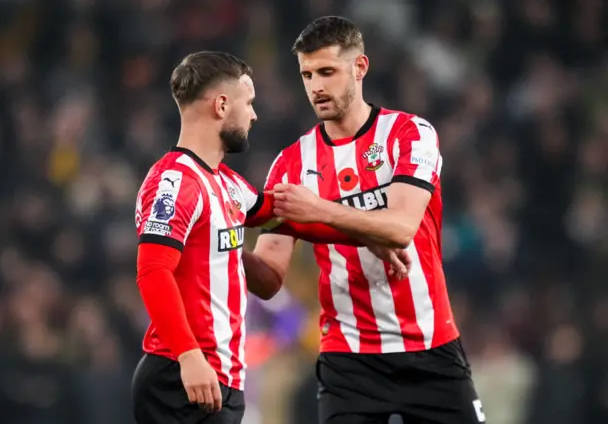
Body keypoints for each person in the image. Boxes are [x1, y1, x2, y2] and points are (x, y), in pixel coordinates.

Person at [131, 51, 409, 424]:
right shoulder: (175, 183)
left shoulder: (228, 185)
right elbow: (153, 273)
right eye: (249, 103)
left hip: (223, 380)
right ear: (221, 105)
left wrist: (364, 234)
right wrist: (188, 355)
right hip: (180, 376)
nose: (254, 115)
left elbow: (292, 214)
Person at [249, 17, 486, 424]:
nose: (316, 87)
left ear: (360, 68)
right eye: (307, 75)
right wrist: (222, 243)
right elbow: (269, 278)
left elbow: (400, 228)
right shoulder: (291, 164)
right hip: (348, 361)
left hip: (429, 347)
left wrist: (318, 209)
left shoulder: (410, 134)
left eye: (327, 72)